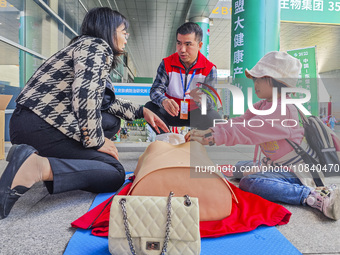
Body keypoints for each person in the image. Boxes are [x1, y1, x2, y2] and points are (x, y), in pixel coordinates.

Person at [0, 7, 169, 220]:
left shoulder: (82, 48)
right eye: (123, 31)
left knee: (109, 122)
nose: (126, 37)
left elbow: (104, 103)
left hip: (31, 123)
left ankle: (42, 159)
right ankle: (36, 166)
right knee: (113, 172)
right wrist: (96, 141)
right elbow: (86, 94)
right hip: (40, 125)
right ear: (108, 30)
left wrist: (141, 111)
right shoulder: (97, 46)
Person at [186, 51, 340, 220]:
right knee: (239, 167)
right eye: (254, 78)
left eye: (259, 78)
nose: (255, 83)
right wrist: (209, 131)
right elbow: (240, 122)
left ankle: (312, 196)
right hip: (274, 165)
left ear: (276, 81)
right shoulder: (263, 105)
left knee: (251, 182)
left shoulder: (283, 110)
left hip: (298, 172)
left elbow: (246, 130)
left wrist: (211, 137)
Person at [144, 22, 221, 134]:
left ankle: (198, 140)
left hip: (195, 114)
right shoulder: (166, 63)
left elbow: (212, 101)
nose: (182, 49)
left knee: (214, 118)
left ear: (199, 45)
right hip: (171, 112)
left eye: (188, 44)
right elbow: (155, 90)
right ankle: (165, 138)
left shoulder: (209, 68)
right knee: (149, 108)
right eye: (179, 43)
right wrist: (164, 101)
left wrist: (200, 98)